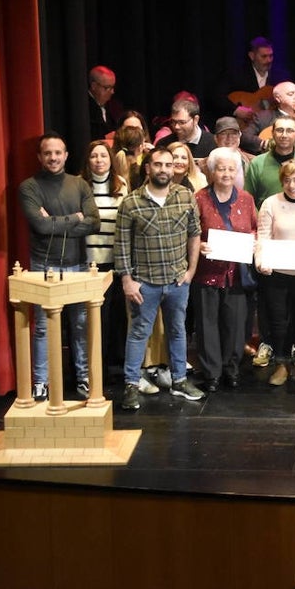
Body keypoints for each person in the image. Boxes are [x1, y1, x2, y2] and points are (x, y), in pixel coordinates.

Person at [115, 146, 205, 410]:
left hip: (178, 280)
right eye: (158, 165)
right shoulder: (131, 202)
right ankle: (131, 384)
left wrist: (190, 272)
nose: (164, 169)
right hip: (145, 282)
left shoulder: (185, 196)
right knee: (139, 333)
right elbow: (121, 245)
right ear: (148, 168)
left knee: (178, 331)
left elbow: (194, 234)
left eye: (168, 165)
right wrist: (127, 281)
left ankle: (179, 381)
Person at [19, 133, 100, 401]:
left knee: (79, 324)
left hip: (77, 264)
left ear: (66, 155)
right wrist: (75, 218)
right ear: (40, 157)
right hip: (44, 265)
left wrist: (55, 222)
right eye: (47, 153)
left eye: (58, 153)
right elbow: (40, 227)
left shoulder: (79, 185)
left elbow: (94, 222)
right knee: (42, 326)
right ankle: (41, 381)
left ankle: (83, 378)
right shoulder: (29, 187)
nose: (53, 158)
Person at [193, 147, 257, 392]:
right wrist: (199, 245)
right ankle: (212, 374)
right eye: (221, 168)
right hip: (207, 272)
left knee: (235, 324)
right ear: (212, 171)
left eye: (232, 169)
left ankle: (231, 369)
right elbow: (191, 233)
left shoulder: (246, 198)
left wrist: (252, 240)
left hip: (236, 273)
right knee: (207, 325)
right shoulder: (199, 198)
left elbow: (254, 228)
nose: (227, 173)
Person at [256, 159, 295, 388]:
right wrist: (261, 261)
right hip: (277, 273)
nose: (292, 185)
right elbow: (263, 236)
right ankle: (281, 364)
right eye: (287, 180)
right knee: (278, 322)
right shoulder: (270, 203)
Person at [81, 139, 129, 379]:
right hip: (89, 262)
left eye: (103, 156)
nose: (99, 160)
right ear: (87, 160)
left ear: (111, 159)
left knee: (116, 315)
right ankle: (93, 367)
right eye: (94, 156)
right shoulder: (80, 186)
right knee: (94, 316)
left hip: (115, 260)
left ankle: (114, 364)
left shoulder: (120, 184)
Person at [248, 114, 295, 207]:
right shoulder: (257, 164)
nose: (284, 135)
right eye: (280, 130)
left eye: (289, 131)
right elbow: (248, 201)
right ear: (272, 133)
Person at [87, 66, 123, 141]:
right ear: (94, 86)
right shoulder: (85, 108)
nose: (112, 92)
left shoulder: (114, 106)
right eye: (107, 88)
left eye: (113, 87)